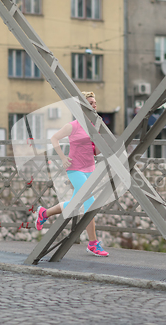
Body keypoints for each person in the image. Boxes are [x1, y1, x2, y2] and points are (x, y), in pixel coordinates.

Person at [35, 92, 108, 257]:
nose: (94, 105)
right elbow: (54, 138)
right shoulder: (73, 126)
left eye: (95, 102)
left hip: (90, 168)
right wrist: (62, 157)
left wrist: (98, 134)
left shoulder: (93, 126)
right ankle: (93, 244)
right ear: (83, 106)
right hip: (75, 168)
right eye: (91, 103)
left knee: (76, 204)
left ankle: (44, 213)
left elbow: (95, 152)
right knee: (90, 202)